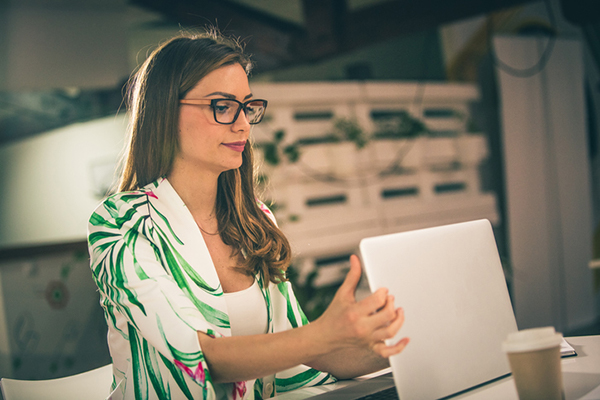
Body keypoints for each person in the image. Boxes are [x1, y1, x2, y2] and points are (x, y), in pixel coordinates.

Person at [87, 29, 409, 400]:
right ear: (166, 111)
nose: (242, 125)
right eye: (222, 107)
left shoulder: (254, 220)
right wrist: (322, 334)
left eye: (246, 106)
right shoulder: (120, 225)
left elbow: (311, 354)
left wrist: (402, 339)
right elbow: (200, 360)